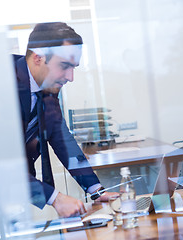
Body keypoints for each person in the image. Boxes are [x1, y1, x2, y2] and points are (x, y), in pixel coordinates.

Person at [13, 22, 118, 218]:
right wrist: (56, 198)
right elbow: (0, 160)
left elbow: (61, 138)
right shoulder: (2, 84)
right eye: (64, 66)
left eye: (74, 68)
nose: (70, 77)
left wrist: (96, 190)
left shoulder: (47, 87)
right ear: (38, 58)